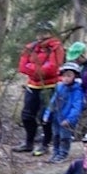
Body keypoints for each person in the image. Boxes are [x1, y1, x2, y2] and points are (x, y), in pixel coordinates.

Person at [15, 21, 64, 156]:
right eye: (39, 32)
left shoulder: (56, 47)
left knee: (45, 116)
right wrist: (36, 70)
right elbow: (22, 66)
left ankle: (45, 144)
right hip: (32, 85)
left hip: (49, 86)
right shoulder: (30, 47)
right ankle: (28, 143)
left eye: (44, 32)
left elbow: (53, 68)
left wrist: (33, 69)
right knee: (27, 115)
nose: (41, 35)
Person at [42, 62, 84, 163]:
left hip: (67, 118)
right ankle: (56, 153)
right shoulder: (59, 87)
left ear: (75, 76)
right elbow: (53, 101)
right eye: (64, 76)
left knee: (65, 137)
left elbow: (76, 107)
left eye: (69, 76)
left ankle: (63, 154)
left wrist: (70, 119)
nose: (66, 78)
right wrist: (47, 114)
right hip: (57, 116)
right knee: (56, 135)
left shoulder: (77, 91)